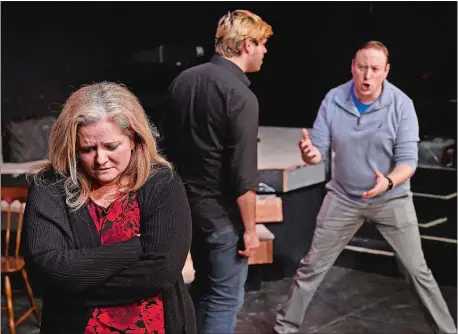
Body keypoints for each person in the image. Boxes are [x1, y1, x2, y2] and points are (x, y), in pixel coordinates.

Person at [274, 41, 457, 334]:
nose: (367, 76)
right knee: (312, 266)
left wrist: (387, 181)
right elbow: (319, 148)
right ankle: (284, 327)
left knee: (416, 271)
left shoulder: (401, 105)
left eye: (374, 69)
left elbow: (408, 161)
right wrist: (311, 154)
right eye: (361, 68)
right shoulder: (334, 99)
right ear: (352, 67)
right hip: (344, 197)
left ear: (386, 71)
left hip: (391, 198)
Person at [23, 82, 196, 334]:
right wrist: (136, 247)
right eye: (87, 149)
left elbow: (162, 273)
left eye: (111, 146)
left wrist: (74, 287)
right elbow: (47, 271)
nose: (101, 159)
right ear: (72, 146)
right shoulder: (50, 186)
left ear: (134, 139)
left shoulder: (161, 182)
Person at [159, 9, 273, 334]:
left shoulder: (182, 81)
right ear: (248, 44)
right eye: (263, 44)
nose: (265, 51)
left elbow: (164, 149)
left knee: (202, 295)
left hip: (185, 211)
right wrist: (250, 230)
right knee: (223, 302)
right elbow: (243, 175)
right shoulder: (241, 96)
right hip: (222, 221)